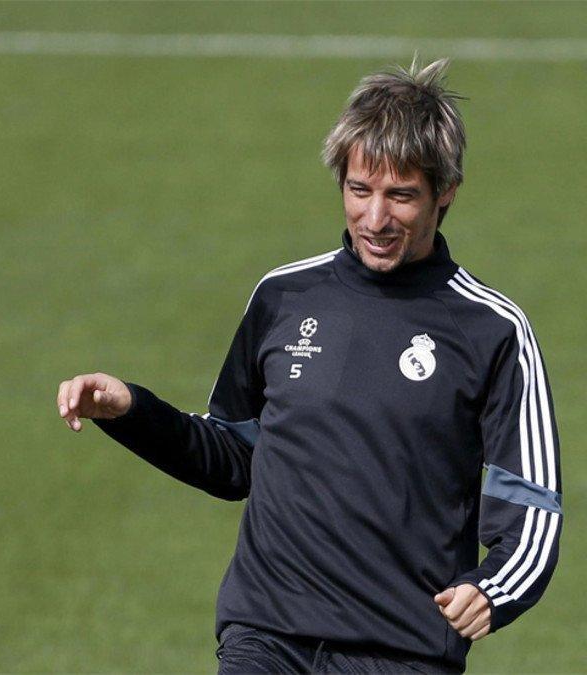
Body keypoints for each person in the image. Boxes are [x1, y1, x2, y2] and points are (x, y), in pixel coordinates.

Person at [56, 59, 560, 673]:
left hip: (400, 651)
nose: (375, 219)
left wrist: (491, 589)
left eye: (401, 196)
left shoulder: (493, 331)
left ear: (445, 191)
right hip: (266, 634)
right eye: (359, 190)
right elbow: (234, 456)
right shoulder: (284, 296)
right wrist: (133, 411)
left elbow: (530, 506)